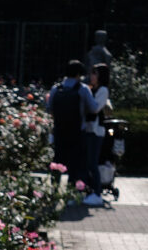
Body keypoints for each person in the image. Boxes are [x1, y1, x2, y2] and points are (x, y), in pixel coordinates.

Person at [46, 59, 100, 188]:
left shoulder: (56, 88)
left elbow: (49, 108)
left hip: (59, 130)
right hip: (77, 132)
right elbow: (94, 108)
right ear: (78, 74)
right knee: (75, 163)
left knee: (57, 161)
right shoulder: (83, 89)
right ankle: (71, 192)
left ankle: (53, 189)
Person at [83, 63, 111, 206]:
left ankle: (97, 193)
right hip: (89, 129)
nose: (92, 76)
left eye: (95, 73)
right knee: (88, 163)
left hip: (96, 130)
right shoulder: (92, 89)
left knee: (93, 163)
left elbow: (95, 108)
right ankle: (90, 191)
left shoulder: (103, 90)